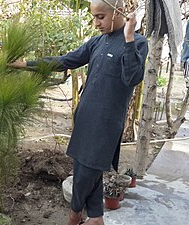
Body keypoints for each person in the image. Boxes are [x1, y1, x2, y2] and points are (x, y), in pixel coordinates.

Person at [8, 0, 148, 224]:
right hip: (84, 120)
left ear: (117, 13)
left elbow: (132, 77)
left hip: (105, 126)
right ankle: (95, 218)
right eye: (94, 17)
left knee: (85, 175)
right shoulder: (96, 43)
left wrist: (130, 36)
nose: (96, 23)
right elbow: (65, 61)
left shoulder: (138, 43)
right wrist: (26, 64)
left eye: (100, 17)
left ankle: (74, 215)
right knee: (83, 169)